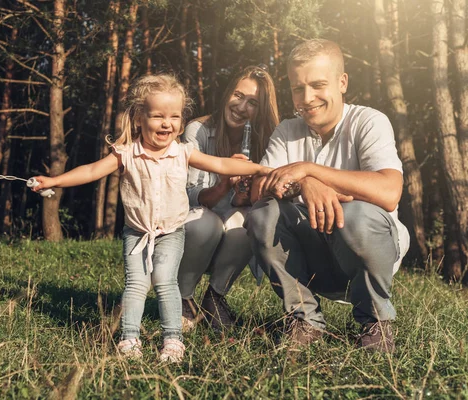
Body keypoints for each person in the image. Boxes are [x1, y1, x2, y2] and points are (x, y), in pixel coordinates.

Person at [31, 74, 275, 363]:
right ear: (138, 118)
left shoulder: (183, 152)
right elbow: (91, 171)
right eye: (157, 116)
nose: (166, 123)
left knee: (164, 280)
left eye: (173, 117)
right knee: (135, 283)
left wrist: (260, 170)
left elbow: (221, 164)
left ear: (181, 123)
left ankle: (173, 340)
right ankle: (129, 338)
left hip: (171, 232)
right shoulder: (127, 153)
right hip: (137, 233)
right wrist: (54, 180)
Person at [245, 39, 409, 353]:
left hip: (365, 249)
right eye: (297, 88)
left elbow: (389, 192)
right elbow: (258, 189)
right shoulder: (286, 131)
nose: (307, 99)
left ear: (342, 82)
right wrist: (303, 183)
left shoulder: (369, 121)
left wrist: (309, 170)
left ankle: (375, 322)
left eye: (318, 85)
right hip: (310, 252)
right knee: (263, 213)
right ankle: (304, 319)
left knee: (357, 215)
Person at [178, 65, 280, 332]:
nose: (241, 106)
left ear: (261, 110)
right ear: (227, 93)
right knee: (206, 223)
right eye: (238, 95)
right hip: (196, 221)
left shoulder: (266, 139)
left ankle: (214, 299)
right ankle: (183, 298)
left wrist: (247, 196)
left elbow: (267, 200)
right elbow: (189, 197)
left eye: (253, 103)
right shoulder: (197, 131)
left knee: (251, 220)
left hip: (231, 222)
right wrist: (224, 184)